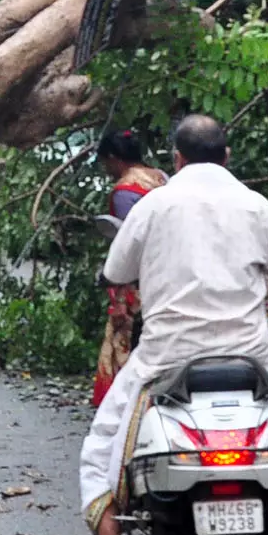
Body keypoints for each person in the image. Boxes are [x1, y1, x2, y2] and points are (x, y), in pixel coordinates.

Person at [69, 113, 268, 535]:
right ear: (227, 155)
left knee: (103, 448)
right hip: (251, 356)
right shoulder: (255, 205)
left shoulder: (153, 206)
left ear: (176, 159)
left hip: (165, 358)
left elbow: (116, 272)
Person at [92, 131, 170, 407]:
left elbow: (127, 244)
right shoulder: (160, 176)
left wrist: (118, 295)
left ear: (113, 159)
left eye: (105, 163)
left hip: (142, 277)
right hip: (170, 269)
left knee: (129, 342)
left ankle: (133, 403)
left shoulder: (124, 191)